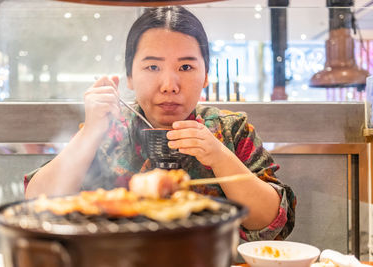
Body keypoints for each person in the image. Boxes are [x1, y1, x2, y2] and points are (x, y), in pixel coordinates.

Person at [25, 6, 296, 241]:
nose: (169, 86)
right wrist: (91, 133)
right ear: (129, 76)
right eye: (152, 67)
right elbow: (37, 204)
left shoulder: (231, 130)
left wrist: (219, 155)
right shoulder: (108, 129)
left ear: (205, 76)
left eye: (186, 67)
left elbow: (274, 222)